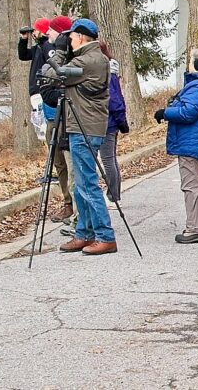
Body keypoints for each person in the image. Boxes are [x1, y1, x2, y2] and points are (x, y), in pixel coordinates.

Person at [53, 18, 117, 256]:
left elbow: (52, 74)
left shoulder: (88, 60)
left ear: (80, 38)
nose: (68, 40)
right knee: (80, 185)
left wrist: (58, 52)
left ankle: (104, 235)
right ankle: (84, 232)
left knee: (88, 184)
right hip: (84, 125)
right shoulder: (95, 57)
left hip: (85, 127)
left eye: (70, 37)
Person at [154, 47, 198, 243]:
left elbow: (188, 112)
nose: (189, 63)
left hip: (191, 142)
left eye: (192, 59)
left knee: (191, 186)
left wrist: (165, 112)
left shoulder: (197, 86)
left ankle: (196, 228)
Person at [43, 15, 75, 223]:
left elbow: (51, 77)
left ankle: (76, 210)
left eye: (52, 30)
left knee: (73, 167)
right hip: (52, 115)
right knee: (59, 164)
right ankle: (67, 202)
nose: (47, 34)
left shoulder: (70, 56)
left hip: (68, 118)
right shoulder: (44, 48)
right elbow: (44, 80)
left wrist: (61, 53)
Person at [99, 42, 129, 204]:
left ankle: (113, 196)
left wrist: (119, 119)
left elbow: (114, 101)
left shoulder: (108, 75)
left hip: (107, 122)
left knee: (108, 160)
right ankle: (114, 194)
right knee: (111, 159)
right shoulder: (113, 73)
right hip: (112, 121)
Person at [18, 17, 52, 97]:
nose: (33, 33)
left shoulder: (48, 46)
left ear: (42, 31)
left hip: (43, 90)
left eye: (35, 30)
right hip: (36, 90)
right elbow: (23, 55)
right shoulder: (38, 47)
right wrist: (24, 38)